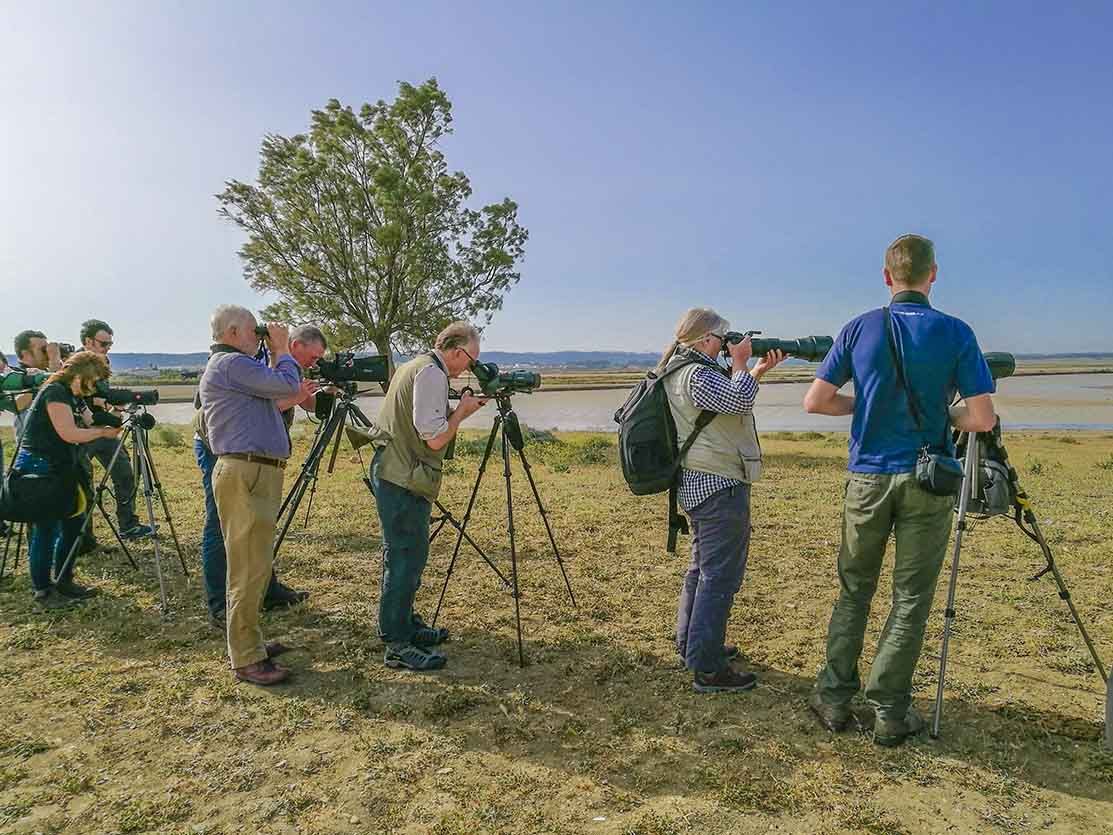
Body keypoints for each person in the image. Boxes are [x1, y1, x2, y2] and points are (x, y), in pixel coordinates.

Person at [803, 234, 996, 746]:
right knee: (910, 597)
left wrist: (865, 405)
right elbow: (981, 418)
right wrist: (943, 414)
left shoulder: (859, 327)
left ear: (887, 277)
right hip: (928, 479)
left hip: (868, 477)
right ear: (933, 275)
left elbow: (815, 401)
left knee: (854, 590)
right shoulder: (956, 332)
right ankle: (889, 711)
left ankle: (834, 697)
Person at [659, 308, 786, 693]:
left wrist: (755, 370)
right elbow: (739, 401)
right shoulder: (696, 374)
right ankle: (709, 668)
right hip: (718, 486)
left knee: (702, 570)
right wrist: (742, 363)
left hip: (703, 484)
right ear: (705, 339)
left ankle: (694, 645)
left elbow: (728, 402)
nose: (728, 344)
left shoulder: (686, 370)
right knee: (719, 577)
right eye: (723, 338)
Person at [367, 321, 488, 671]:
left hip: (397, 472)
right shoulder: (432, 374)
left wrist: (454, 412)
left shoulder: (416, 365)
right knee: (404, 558)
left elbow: (421, 424)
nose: (470, 367)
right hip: (402, 478)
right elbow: (434, 439)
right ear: (456, 351)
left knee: (410, 555)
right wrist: (461, 414)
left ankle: (405, 624)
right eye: (471, 360)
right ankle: (396, 642)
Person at [193, 324, 324, 628]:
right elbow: (254, 409)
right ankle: (220, 604)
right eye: (313, 356)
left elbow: (299, 400)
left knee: (259, 521)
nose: (314, 363)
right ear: (294, 345)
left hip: (252, 450)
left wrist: (314, 394)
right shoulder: (248, 360)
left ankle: (266, 589)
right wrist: (294, 393)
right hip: (221, 446)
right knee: (220, 522)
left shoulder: (285, 364)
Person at [199, 304, 302, 686]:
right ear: (231, 333)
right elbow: (288, 385)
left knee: (255, 565)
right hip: (245, 472)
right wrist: (281, 349)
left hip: (253, 469)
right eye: (252, 330)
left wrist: (273, 353)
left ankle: (250, 643)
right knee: (246, 567)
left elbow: (276, 392)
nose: (258, 336)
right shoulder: (231, 364)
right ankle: (245, 658)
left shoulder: (236, 368)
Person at [12, 352, 120, 608]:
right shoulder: (55, 392)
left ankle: (64, 580)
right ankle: (43, 590)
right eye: (93, 381)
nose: (94, 387)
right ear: (80, 375)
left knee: (74, 525)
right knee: (46, 529)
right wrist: (101, 433)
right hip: (40, 467)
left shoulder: (73, 395)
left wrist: (117, 413)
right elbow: (69, 433)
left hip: (63, 467)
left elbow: (89, 420)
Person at [77, 319, 154, 541]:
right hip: (80, 431)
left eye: (110, 344)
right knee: (83, 483)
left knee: (124, 474)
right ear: (88, 341)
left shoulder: (104, 362)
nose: (107, 348)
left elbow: (105, 395)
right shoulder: (75, 363)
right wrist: (94, 404)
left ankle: (128, 525)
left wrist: (117, 407)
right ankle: (84, 539)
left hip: (104, 429)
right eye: (104, 344)